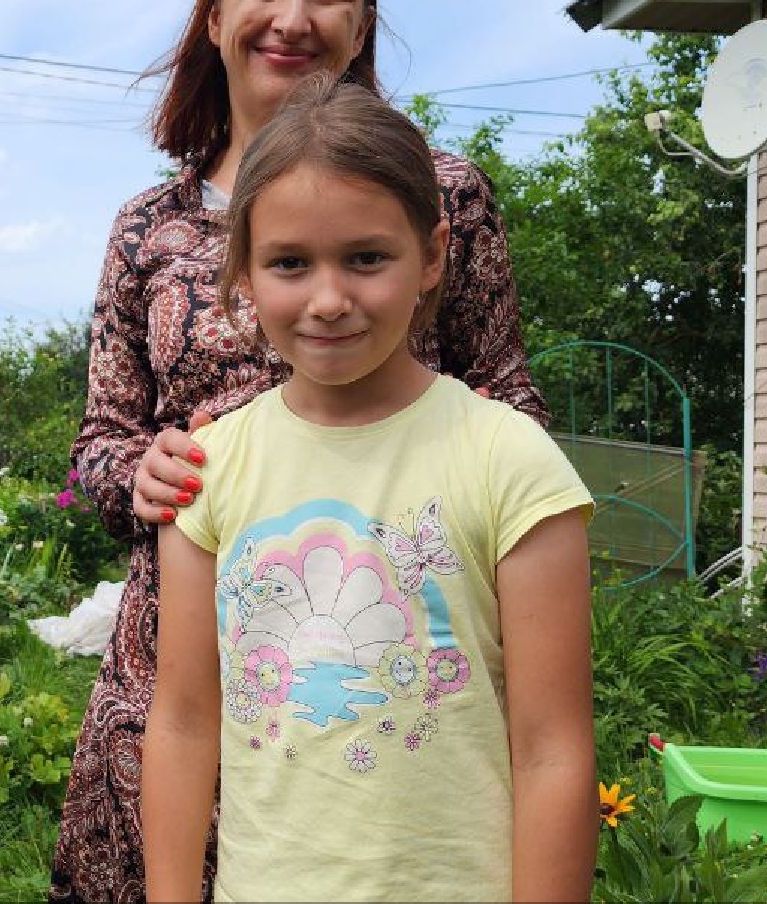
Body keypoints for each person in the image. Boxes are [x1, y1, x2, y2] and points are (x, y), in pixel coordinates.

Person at [52, 0, 550, 902]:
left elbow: (506, 396)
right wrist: (138, 469)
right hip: (180, 679)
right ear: (217, 11)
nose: (292, 16)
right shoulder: (148, 226)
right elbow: (98, 443)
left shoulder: (437, 189)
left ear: (364, 20)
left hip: (393, 678)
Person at [141, 73, 596, 901]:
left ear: (431, 256)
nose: (327, 300)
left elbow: (552, 750)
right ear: (242, 271)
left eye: (366, 258)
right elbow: (179, 721)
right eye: (288, 262)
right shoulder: (207, 469)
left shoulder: (510, 461)